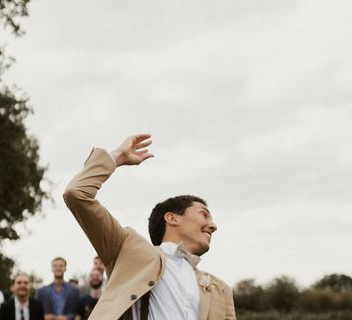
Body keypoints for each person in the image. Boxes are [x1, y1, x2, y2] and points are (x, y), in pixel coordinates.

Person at [63, 134, 236, 320]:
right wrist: (118, 156)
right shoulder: (126, 250)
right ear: (172, 218)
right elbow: (77, 194)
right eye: (204, 214)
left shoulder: (220, 289)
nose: (213, 225)